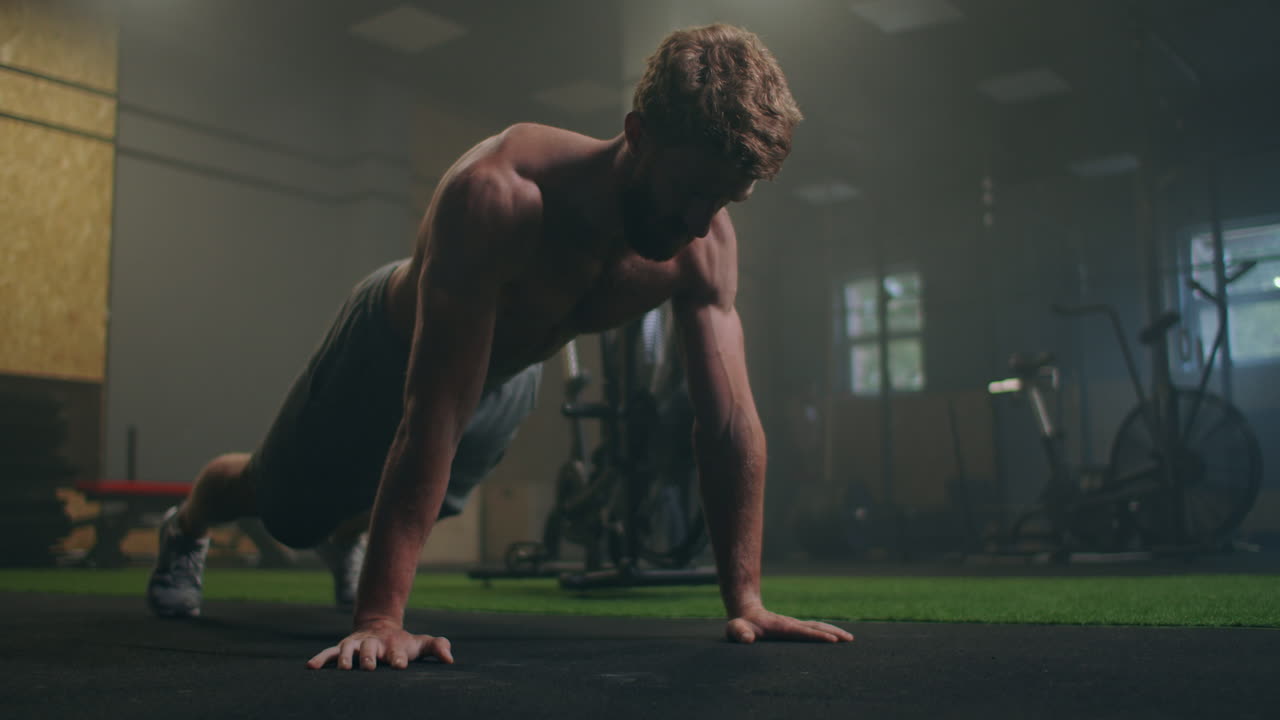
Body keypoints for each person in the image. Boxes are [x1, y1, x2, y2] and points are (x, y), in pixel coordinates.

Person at [146, 23, 855, 671]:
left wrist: (747, 601)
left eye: (726, 200)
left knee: (428, 497)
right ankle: (186, 524)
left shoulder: (705, 247)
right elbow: (434, 410)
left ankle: (352, 539)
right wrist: (381, 620)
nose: (701, 223)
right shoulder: (500, 194)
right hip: (389, 343)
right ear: (637, 135)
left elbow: (729, 425)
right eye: (692, 190)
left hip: (511, 375)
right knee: (286, 511)